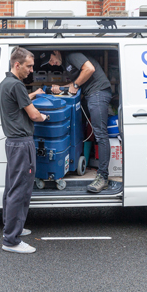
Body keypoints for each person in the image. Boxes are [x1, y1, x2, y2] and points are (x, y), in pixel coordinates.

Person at [40, 50, 112, 193]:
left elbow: (89, 69)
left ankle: (103, 177)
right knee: (91, 132)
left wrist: (76, 85)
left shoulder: (72, 56)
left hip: (98, 92)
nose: (51, 63)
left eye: (51, 59)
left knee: (100, 135)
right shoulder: (66, 63)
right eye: (49, 63)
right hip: (91, 94)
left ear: (56, 52)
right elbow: (74, 84)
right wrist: (60, 88)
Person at [0, 47, 46, 254]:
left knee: (11, 188)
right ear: (17, 65)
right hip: (22, 144)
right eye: (28, 66)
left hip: (13, 143)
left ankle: (10, 228)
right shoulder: (16, 85)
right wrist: (44, 117)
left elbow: (21, 101)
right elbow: (34, 115)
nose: (31, 70)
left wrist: (33, 94)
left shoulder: (6, 83)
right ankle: (11, 241)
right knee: (20, 190)